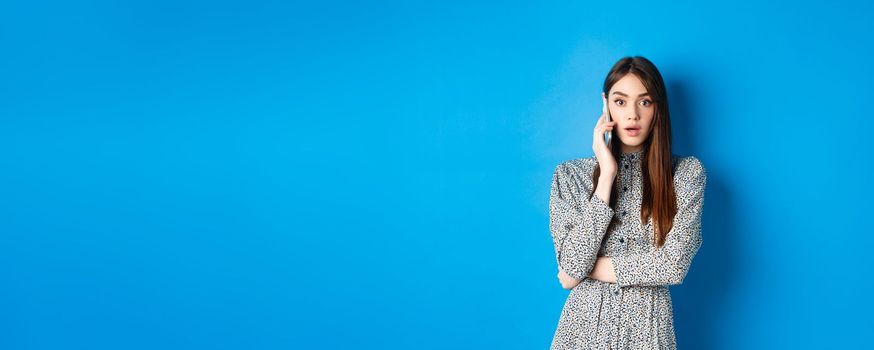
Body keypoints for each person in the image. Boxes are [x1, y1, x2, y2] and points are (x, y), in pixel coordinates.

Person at [548, 56, 708, 349]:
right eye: (620, 102)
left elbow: (673, 266)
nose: (632, 114)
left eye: (645, 102)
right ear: (605, 104)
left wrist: (587, 269)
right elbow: (571, 267)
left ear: (658, 108)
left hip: (648, 333)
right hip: (581, 333)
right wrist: (607, 175)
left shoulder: (686, 174)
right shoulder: (570, 175)